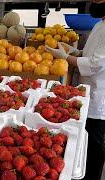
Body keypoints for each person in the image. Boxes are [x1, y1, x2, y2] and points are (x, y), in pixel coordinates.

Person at [46, 0, 105, 179]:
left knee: (94, 148)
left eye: (98, 0)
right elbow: (89, 55)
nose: (93, 4)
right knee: (82, 145)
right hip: (86, 92)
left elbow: (96, 64)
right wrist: (75, 52)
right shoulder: (99, 24)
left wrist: (66, 57)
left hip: (98, 99)